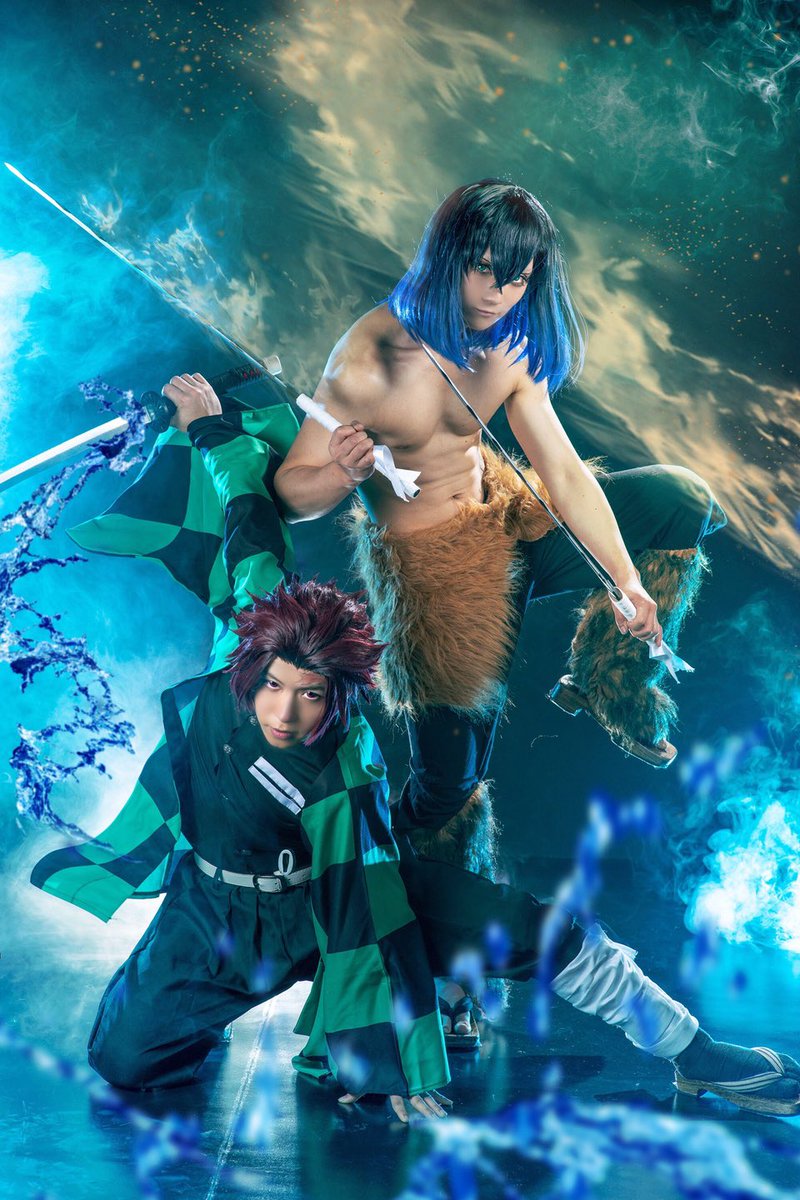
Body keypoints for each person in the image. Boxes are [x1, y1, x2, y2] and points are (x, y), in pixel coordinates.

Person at [32, 377, 798, 1121]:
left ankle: (694, 1053)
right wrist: (207, 425)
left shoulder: (346, 763)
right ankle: (207, 1010)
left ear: (341, 694)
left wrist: (385, 1060)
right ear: (251, 659)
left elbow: (362, 907)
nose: (286, 713)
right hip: (212, 917)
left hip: (330, 901)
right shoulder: (245, 630)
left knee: (532, 930)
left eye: (312, 696)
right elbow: (247, 517)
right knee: (123, 1059)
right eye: (274, 686)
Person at [272, 178, 727, 958]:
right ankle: (395, 924)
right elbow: (289, 494)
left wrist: (626, 583)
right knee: (449, 788)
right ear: (448, 256)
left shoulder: (507, 342)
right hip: (440, 592)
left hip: (512, 530)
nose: (499, 292)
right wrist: (341, 472)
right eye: (484, 269)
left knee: (681, 499)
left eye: (517, 278)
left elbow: (564, 473)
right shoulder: (370, 361)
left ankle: (613, 683)